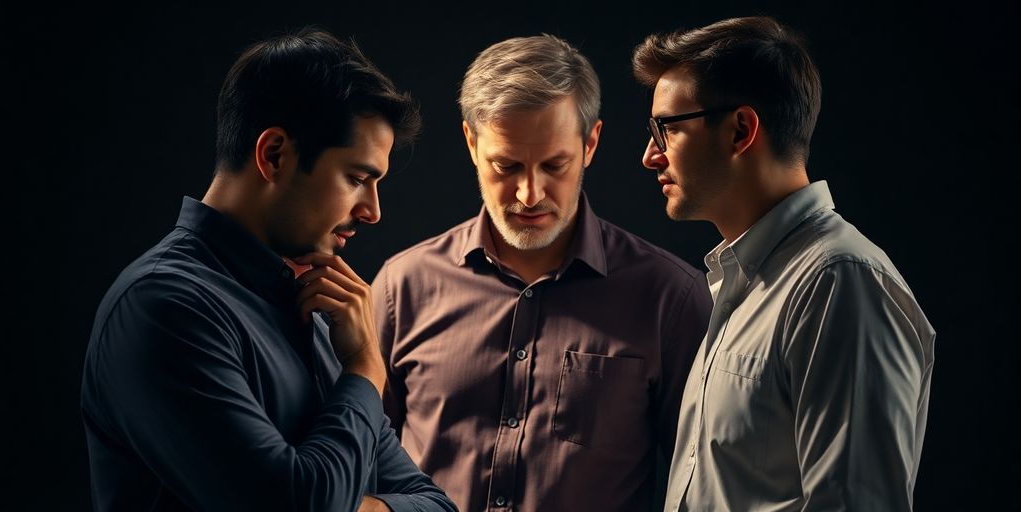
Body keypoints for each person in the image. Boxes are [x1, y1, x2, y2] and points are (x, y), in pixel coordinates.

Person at [80, 28, 456, 512]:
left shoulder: (316, 311)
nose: (373, 211)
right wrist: (364, 368)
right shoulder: (162, 306)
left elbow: (436, 505)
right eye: (357, 179)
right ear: (274, 154)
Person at [371, 34, 712, 511]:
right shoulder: (399, 289)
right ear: (471, 142)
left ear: (590, 143)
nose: (529, 194)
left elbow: (703, 487)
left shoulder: (671, 298)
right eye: (506, 166)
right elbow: (360, 471)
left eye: (555, 165)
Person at [633, 16, 936, 511]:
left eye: (666, 129)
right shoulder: (746, 282)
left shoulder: (839, 282)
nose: (651, 155)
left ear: (740, 131)